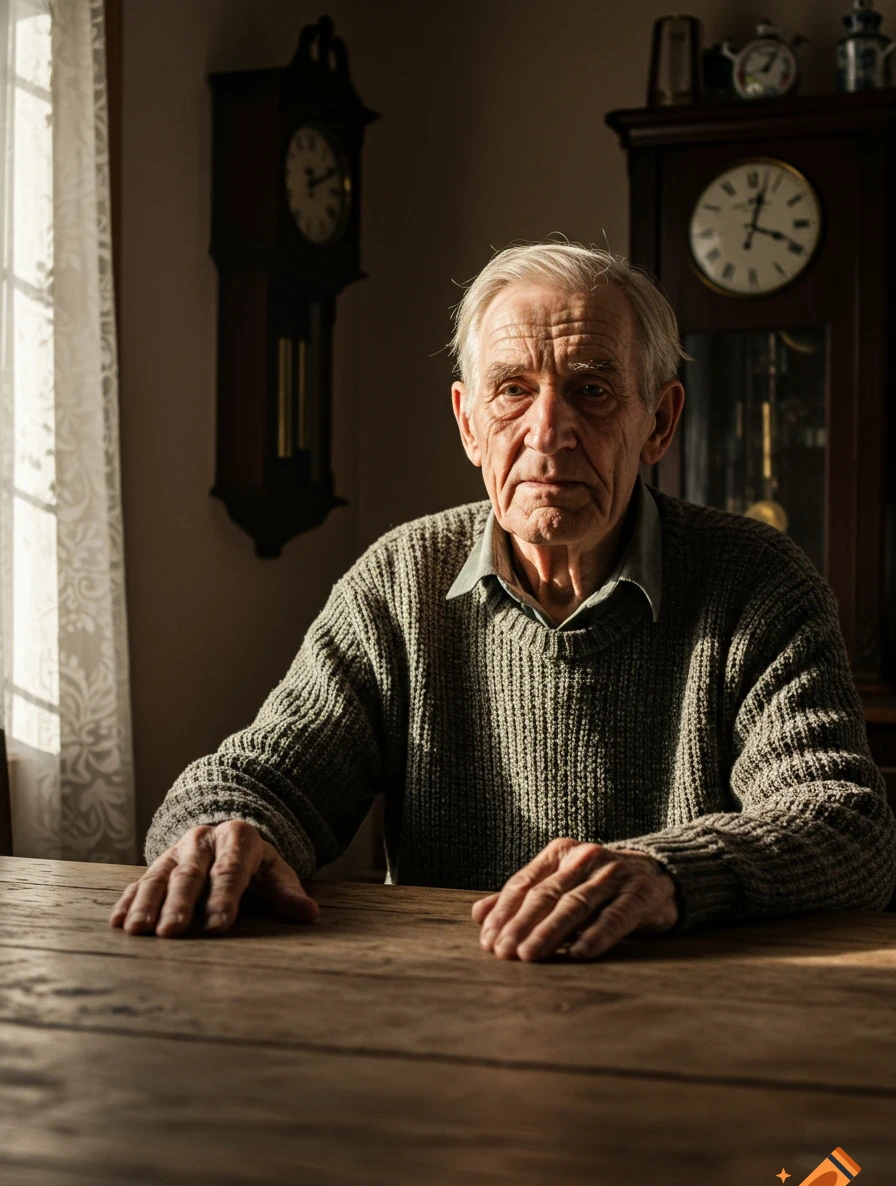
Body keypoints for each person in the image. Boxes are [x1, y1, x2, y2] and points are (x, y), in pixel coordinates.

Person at [110, 241, 896, 961]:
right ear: (468, 426)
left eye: (591, 391)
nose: (548, 431)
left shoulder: (757, 580)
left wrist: (670, 873)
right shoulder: (401, 580)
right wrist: (217, 831)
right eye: (513, 392)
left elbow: (847, 826)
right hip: (451, 1014)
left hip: (698, 1023)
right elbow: (262, 777)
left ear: (658, 422)